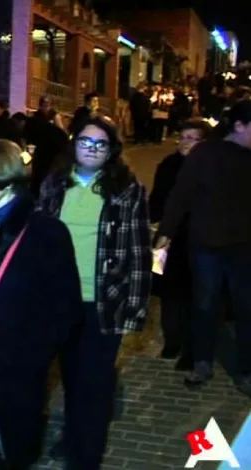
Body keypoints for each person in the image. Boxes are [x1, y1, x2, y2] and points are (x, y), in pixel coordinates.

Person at [0, 139, 82, 468]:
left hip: (16, 370)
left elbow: (65, 306)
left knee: (10, 451)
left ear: (5, 180)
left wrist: (34, 355)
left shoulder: (46, 233)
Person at [39, 116, 152, 469]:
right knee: (70, 377)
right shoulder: (55, 184)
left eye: (100, 144)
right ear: (73, 145)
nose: (92, 149)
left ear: (111, 150)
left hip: (104, 302)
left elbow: (139, 252)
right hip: (60, 302)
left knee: (95, 382)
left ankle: (86, 455)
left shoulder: (126, 190)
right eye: (85, 142)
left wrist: (134, 309)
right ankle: (74, 434)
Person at [156, 101, 251, 396]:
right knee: (205, 305)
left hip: (244, 247)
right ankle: (201, 361)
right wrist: (165, 233)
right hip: (206, 244)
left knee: (247, 308)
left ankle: (246, 370)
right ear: (239, 126)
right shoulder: (205, 154)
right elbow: (180, 196)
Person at [149, 119, 211, 369]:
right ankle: (171, 341)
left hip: (199, 239)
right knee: (168, 294)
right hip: (168, 239)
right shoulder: (169, 165)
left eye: (192, 138)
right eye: (183, 137)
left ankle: (190, 348)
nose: (185, 143)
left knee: (193, 296)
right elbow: (156, 200)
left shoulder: (210, 167)